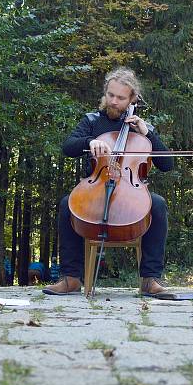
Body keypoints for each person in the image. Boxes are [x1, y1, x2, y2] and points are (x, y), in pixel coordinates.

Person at [43, 67, 175, 297]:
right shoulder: (92, 121)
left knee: (158, 204)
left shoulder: (143, 129)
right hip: (96, 188)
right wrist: (90, 140)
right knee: (67, 204)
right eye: (110, 95)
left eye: (120, 98)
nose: (113, 101)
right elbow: (68, 147)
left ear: (132, 99)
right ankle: (71, 278)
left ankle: (150, 279)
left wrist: (149, 134)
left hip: (131, 192)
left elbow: (167, 165)